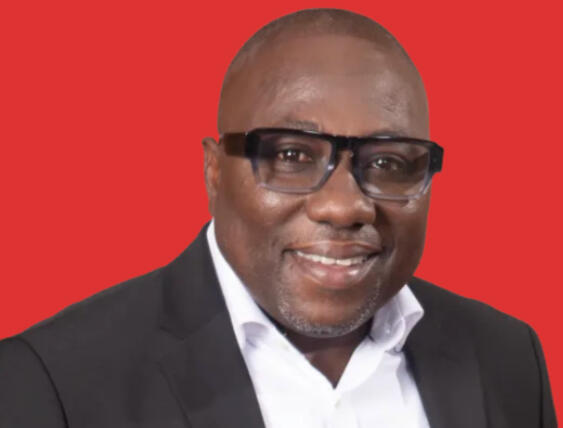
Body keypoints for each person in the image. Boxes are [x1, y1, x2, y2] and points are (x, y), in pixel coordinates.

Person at [0, 8, 556, 428]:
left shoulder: (507, 358)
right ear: (214, 171)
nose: (344, 206)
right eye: (291, 155)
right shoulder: (51, 382)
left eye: (387, 162)